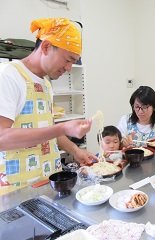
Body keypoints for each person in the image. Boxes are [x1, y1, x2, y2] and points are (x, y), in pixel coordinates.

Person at [0, 18, 98, 193]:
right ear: (46, 47)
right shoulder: (8, 76)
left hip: (46, 182)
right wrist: (63, 128)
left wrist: (75, 150)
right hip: (16, 189)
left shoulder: (45, 84)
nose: (69, 68)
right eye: (68, 59)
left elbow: (47, 128)